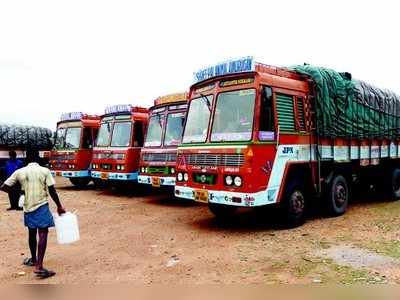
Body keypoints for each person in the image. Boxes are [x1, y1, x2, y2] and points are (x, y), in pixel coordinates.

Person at [1, 149, 66, 279]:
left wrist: (20, 190)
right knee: (43, 233)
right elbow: (52, 190)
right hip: (41, 205)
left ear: (26, 159)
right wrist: (59, 206)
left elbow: (4, 187)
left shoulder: (20, 172)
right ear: (38, 158)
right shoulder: (44, 171)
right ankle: (39, 267)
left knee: (32, 233)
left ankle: (34, 259)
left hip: (28, 207)